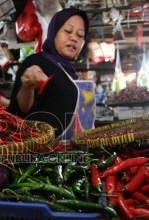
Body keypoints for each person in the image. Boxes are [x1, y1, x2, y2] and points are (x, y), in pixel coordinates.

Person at [7, 7, 91, 142]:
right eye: (68, 31)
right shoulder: (36, 62)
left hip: (72, 154)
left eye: (80, 35)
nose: (74, 38)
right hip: (42, 155)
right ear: (54, 33)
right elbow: (21, 111)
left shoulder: (71, 73)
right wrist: (27, 87)